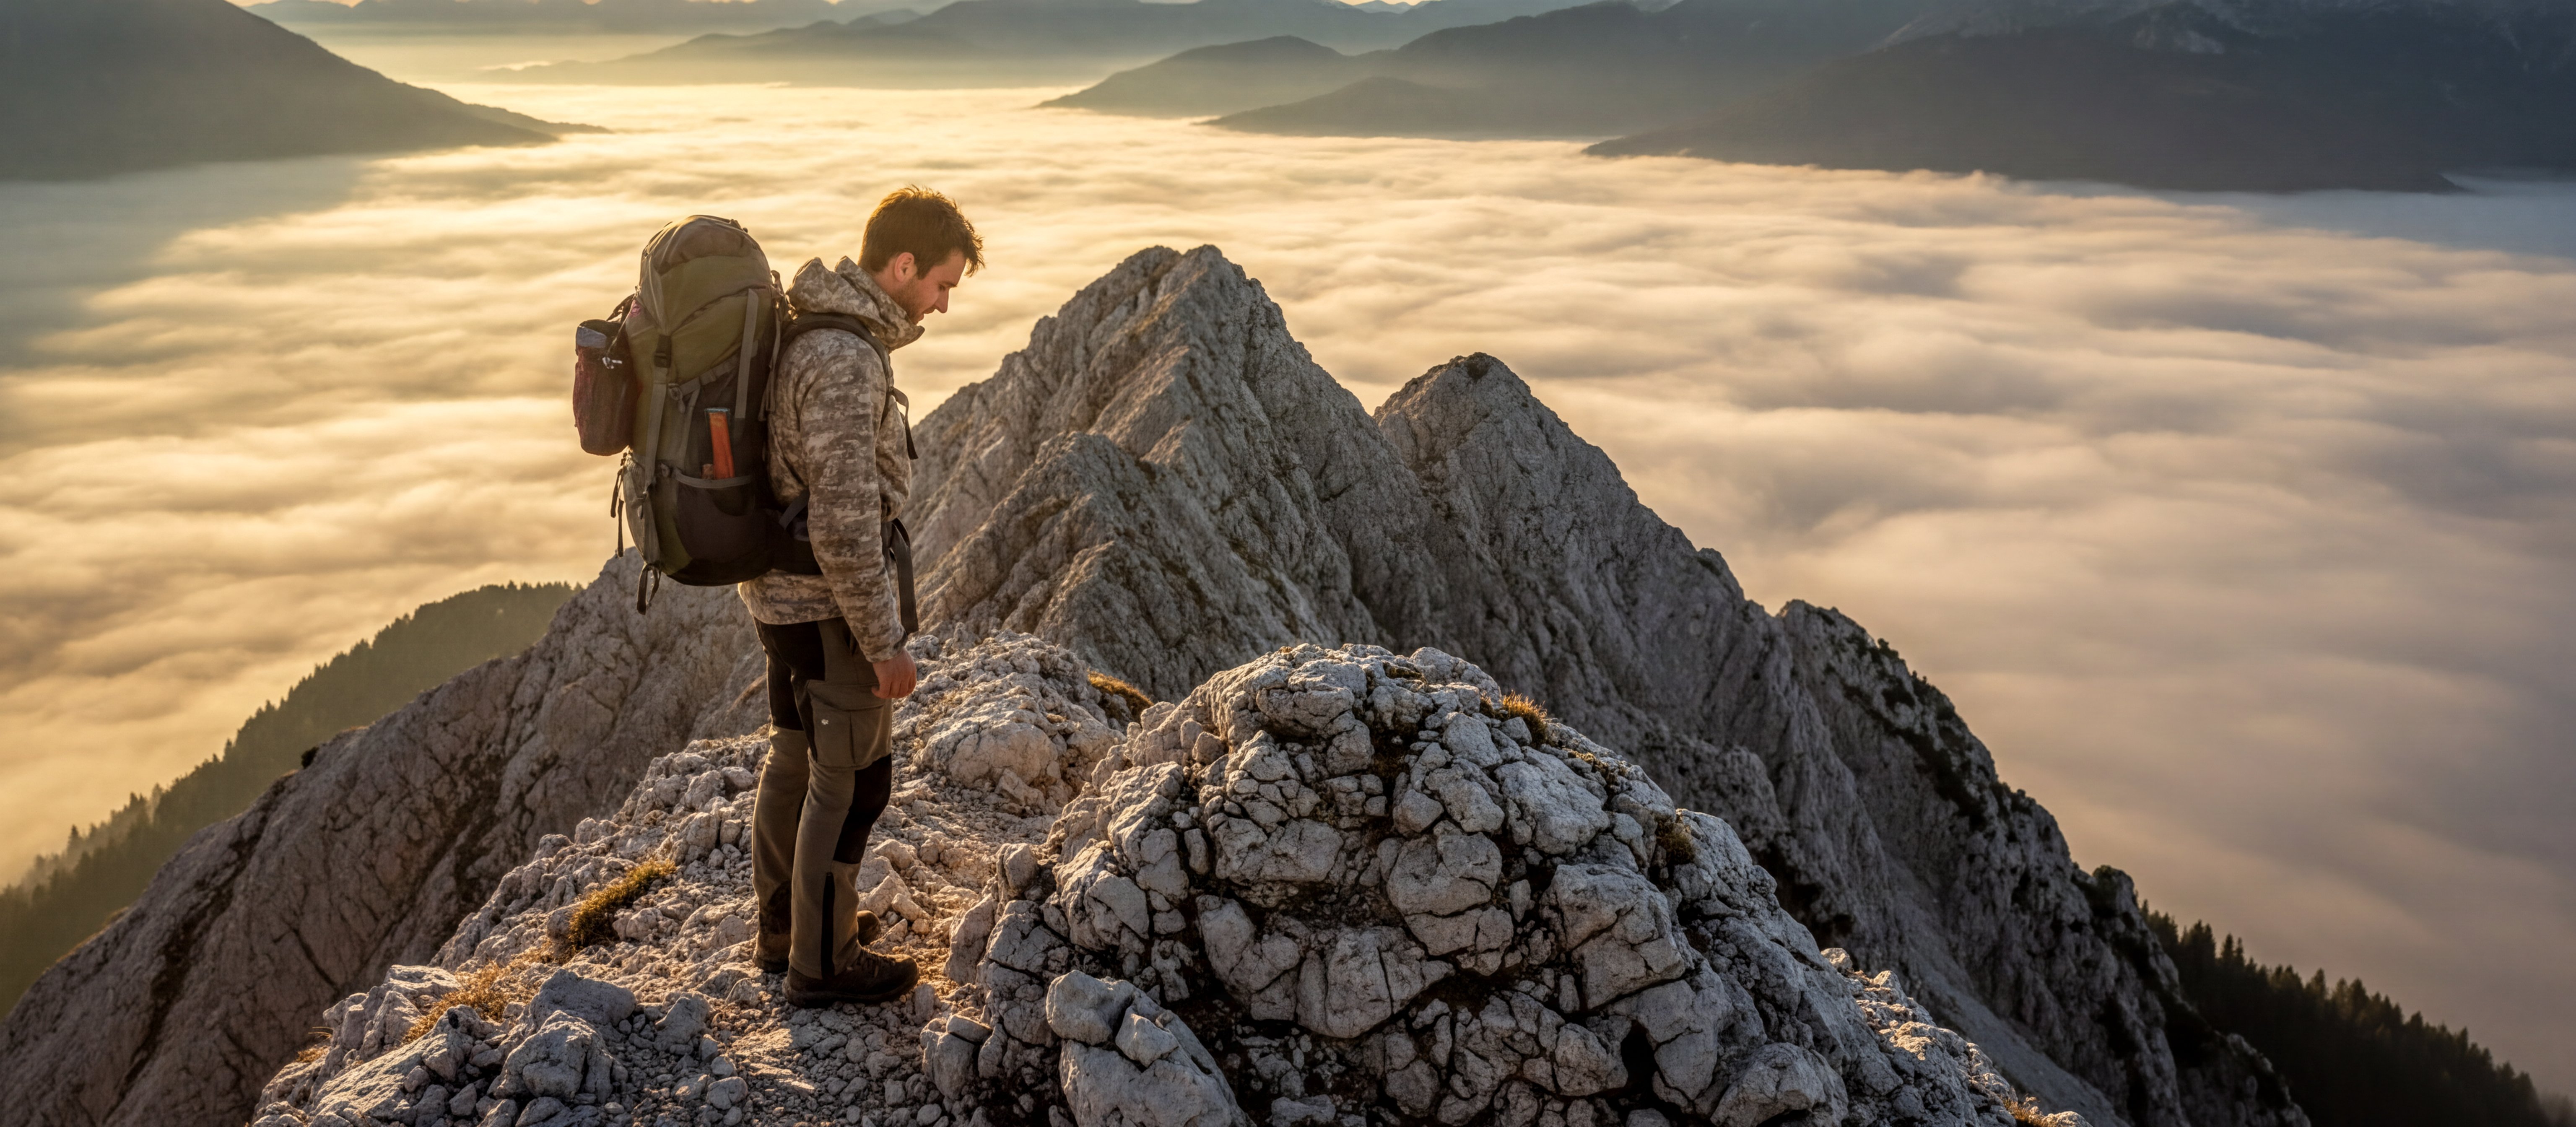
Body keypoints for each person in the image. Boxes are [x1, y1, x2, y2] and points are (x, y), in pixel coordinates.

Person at [742, 187, 981, 1008]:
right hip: (824, 604)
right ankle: (823, 961)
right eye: (942, 284)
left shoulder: (819, 328)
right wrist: (884, 644)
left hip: (779, 596)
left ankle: (787, 930)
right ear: (903, 265)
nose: (944, 304)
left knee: (796, 757)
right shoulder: (844, 361)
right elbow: (846, 522)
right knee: (854, 783)